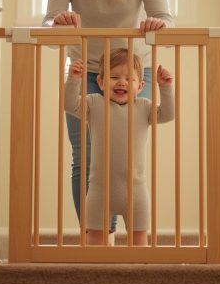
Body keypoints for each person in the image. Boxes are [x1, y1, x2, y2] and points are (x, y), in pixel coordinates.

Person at [42, 0, 174, 238]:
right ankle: (99, 238)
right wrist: (60, 21)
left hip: (132, 71)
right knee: (84, 157)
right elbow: (48, 21)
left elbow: (165, 17)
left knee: (126, 158)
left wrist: (157, 25)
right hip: (85, 69)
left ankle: (124, 234)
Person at [64, 49, 174, 245]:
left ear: (139, 86)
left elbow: (168, 114)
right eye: (114, 77)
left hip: (136, 192)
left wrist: (165, 88)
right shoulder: (94, 103)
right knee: (96, 245)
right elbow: (69, 104)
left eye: (128, 79)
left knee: (139, 243)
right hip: (99, 192)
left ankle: (137, 275)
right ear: (100, 83)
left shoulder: (144, 107)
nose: (121, 82)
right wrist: (73, 81)